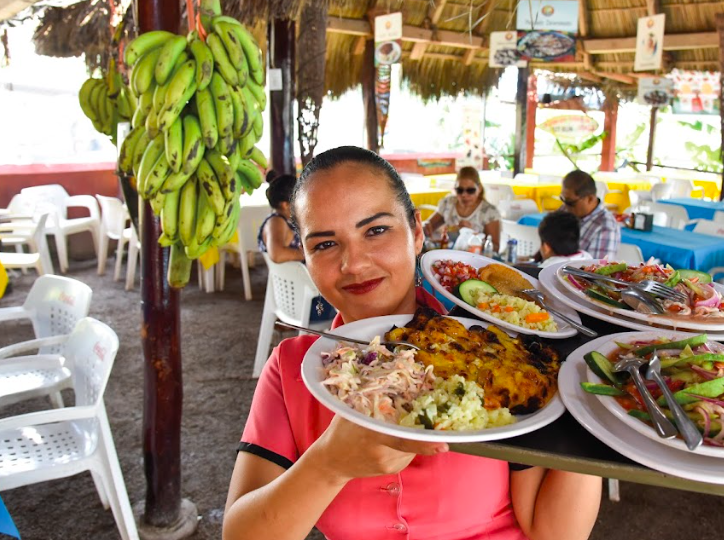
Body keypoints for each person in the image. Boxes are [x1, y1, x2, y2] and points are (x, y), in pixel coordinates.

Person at [224, 146, 602, 540]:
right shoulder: (293, 370)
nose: (353, 263)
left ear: (417, 232)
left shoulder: (502, 357)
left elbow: (555, 533)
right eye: (324, 244)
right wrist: (328, 465)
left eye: (375, 230)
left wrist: (587, 400)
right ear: (303, 256)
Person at [257, 170, 335, 321]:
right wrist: (311, 254)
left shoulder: (287, 222)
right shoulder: (276, 222)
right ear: (286, 205)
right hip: (308, 306)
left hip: (303, 300)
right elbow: (277, 254)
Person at [422, 166, 501, 249]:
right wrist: (425, 225)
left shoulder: (489, 212)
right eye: (459, 190)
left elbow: (495, 247)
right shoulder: (448, 203)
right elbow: (428, 226)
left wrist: (471, 235)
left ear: (479, 189)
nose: (464, 195)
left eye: (470, 190)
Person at [559, 170, 620, 260]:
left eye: (571, 202)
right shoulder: (566, 209)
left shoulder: (606, 228)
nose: (566, 206)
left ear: (590, 199)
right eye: (563, 199)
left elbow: (598, 270)